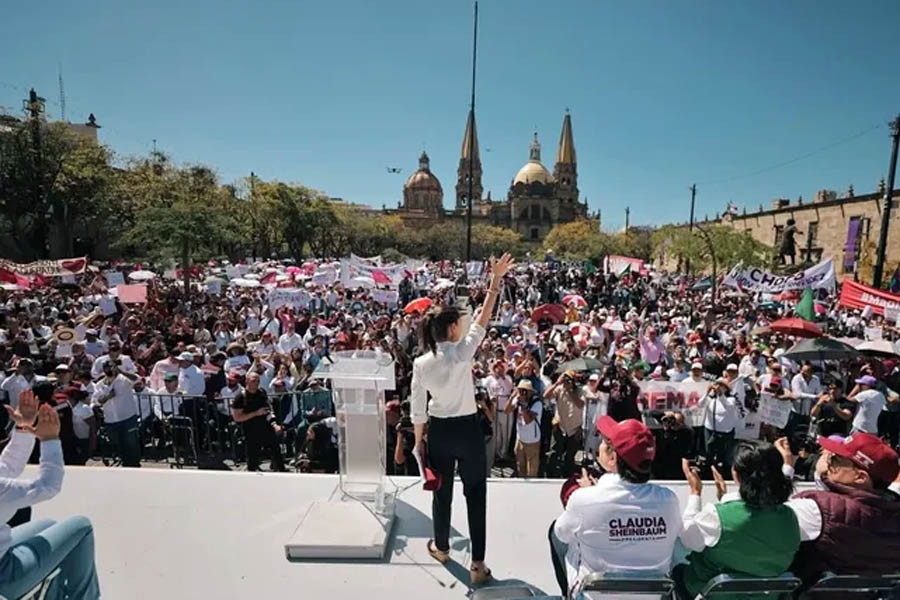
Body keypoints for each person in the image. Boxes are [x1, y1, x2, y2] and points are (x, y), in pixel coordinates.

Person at [410, 252, 513, 587]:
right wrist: (495, 281)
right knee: (476, 495)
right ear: (452, 327)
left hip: (438, 432)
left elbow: (417, 407)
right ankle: (478, 564)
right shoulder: (463, 351)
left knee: (442, 493)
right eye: (459, 323)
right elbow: (484, 318)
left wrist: (417, 441)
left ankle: (441, 548)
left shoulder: (421, 363)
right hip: (468, 430)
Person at [549, 417, 682, 597]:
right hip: (652, 595)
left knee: (559, 531)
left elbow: (561, 534)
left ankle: (568, 594)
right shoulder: (669, 500)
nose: (600, 445)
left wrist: (590, 495)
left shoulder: (583, 499)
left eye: (605, 442)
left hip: (595, 595)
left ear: (612, 458)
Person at [0, 391, 100, 599]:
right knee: (81, 526)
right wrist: (50, 439)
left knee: (48, 525)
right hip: (4, 578)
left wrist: (24, 427)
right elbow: (48, 486)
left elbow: (7, 467)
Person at [675, 441, 799, 599]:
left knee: (677, 562)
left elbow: (687, 539)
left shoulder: (716, 516)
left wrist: (695, 492)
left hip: (713, 594)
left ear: (736, 473)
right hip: (765, 596)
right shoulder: (790, 516)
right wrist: (726, 500)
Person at [781, 433, 900, 586]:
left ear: (860, 477)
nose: (828, 461)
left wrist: (786, 471)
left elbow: (765, 522)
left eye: (836, 459)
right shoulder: (893, 513)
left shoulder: (818, 509)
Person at [231, 372, 285, 472]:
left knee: (276, 450)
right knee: (252, 458)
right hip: (251, 430)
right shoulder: (240, 397)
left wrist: (275, 424)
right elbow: (237, 417)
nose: (256, 383)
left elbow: (268, 410)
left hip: (266, 428)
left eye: (258, 381)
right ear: (246, 381)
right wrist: (255, 413)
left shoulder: (261, 392)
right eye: (253, 381)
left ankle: (281, 470)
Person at [91, 359, 141, 467]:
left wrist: (122, 372)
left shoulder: (123, 379)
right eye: (107, 368)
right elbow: (96, 401)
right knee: (118, 444)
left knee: (131, 444)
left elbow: (137, 379)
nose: (110, 369)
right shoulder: (100, 385)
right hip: (111, 420)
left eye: (112, 367)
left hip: (127, 418)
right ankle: (124, 464)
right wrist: (108, 397)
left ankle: (134, 465)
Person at [545, 370, 584, 477]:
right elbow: (546, 396)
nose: (566, 382)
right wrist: (557, 383)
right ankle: (551, 474)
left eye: (569, 380)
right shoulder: (559, 389)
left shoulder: (580, 391)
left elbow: (580, 404)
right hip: (560, 425)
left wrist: (570, 391)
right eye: (565, 380)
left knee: (570, 455)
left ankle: (568, 476)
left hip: (574, 428)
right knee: (554, 452)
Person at [702, 378, 740, 473]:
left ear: (726, 388)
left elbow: (727, 405)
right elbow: (700, 404)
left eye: (721, 386)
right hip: (711, 429)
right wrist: (707, 392)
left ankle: (725, 472)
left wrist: (720, 394)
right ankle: (708, 470)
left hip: (726, 431)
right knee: (709, 452)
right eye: (717, 385)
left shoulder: (731, 399)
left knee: (724, 455)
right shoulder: (711, 399)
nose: (718, 387)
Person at [509, 379, 543, 478]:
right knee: (520, 467)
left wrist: (523, 406)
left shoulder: (537, 403)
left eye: (525, 391)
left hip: (532, 441)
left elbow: (528, 421)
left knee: (532, 471)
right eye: (521, 390)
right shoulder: (518, 399)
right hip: (520, 439)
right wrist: (512, 397)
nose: (523, 393)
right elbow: (507, 411)